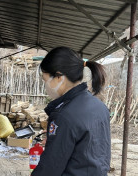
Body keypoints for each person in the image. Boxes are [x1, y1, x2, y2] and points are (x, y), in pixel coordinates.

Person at [31, 47, 110, 176]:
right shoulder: (100, 106)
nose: (45, 86)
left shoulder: (64, 115)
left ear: (59, 77)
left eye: (45, 80)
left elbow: (50, 168)